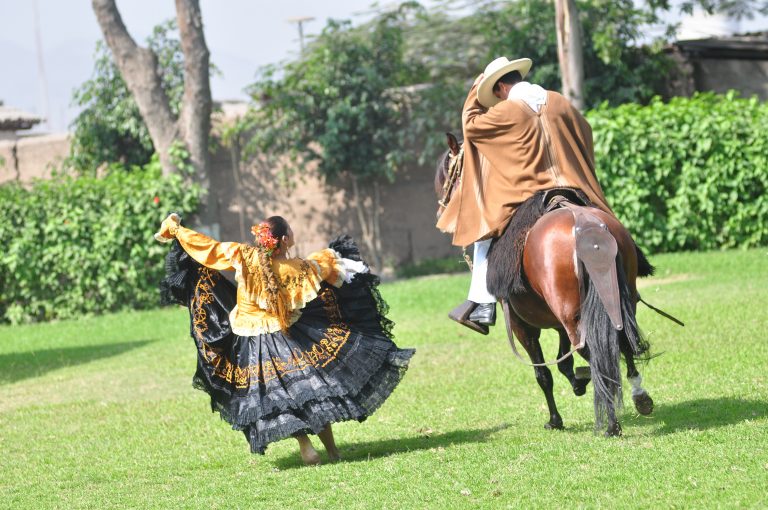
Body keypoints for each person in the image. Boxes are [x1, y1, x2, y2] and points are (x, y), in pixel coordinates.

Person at [154, 213, 414, 464]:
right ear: (285, 240)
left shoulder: (243, 255)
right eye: (290, 231)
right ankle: (333, 451)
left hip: (251, 343)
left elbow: (208, 248)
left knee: (279, 399)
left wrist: (177, 230)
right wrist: (335, 256)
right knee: (313, 390)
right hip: (291, 337)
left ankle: (306, 447)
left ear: (261, 238)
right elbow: (324, 267)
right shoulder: (297, 268)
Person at [436, 57, 615, 332]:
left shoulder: (505, 111)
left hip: (533, 194)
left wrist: (476, 88)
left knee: (487, 233)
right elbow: (584, 131)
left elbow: (470, 126)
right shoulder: (558, 101)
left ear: (499, 89)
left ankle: (483, 304)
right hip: (575, 187)